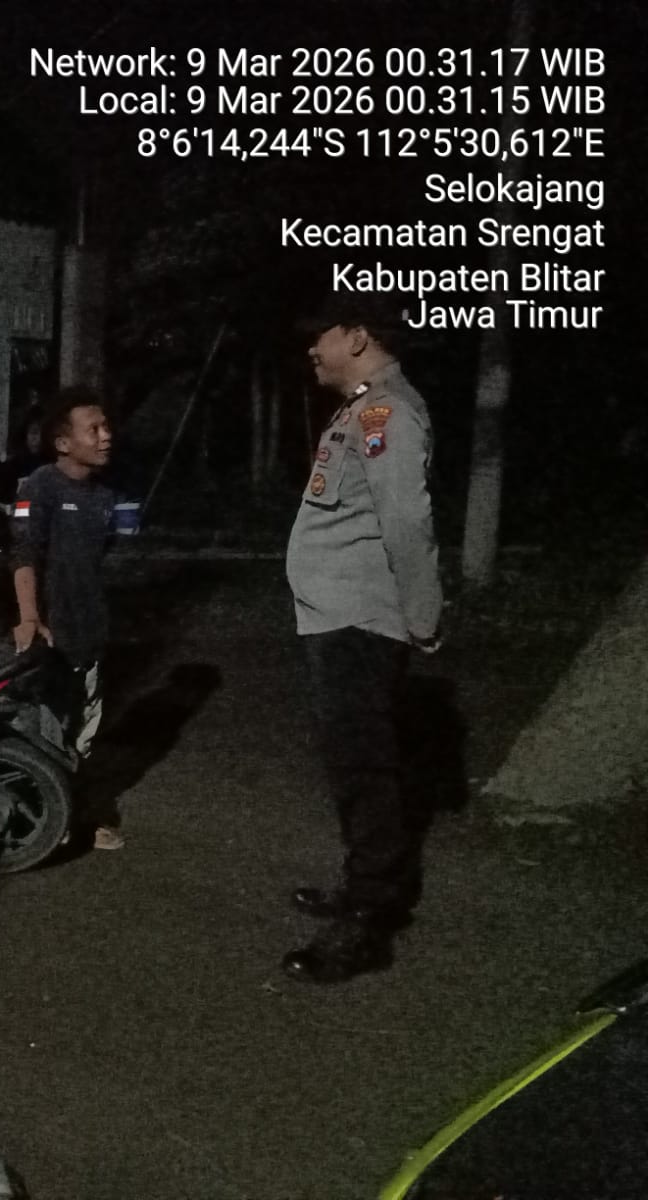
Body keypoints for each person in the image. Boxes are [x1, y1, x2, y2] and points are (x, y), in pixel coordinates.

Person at [281, 295, 443, 985]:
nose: (310, 350)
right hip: (336, 617)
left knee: (365, 771)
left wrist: (423, 617)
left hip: (359, 622)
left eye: (318, 335)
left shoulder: (388, 413)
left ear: (356, 336)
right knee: (352, 766)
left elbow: (407, 522)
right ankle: (360, 887)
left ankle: (368, 924)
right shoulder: (362, 408)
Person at [10, 387, 123, 850]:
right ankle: (42, 821)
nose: (105, 436)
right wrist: (29, 618)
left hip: (90, 634)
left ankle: (74, 817)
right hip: (51, 636)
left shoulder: (105, 497)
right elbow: (22, 554)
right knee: (46, 732)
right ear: (62, 443)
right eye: (93, 429)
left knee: (84, 734)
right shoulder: (40, 487)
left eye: (106, 426)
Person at [0, 403, 47, 630]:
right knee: (10, 593)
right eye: (34, 432)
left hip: (48, 550)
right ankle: (8, 626)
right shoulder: (9, 470)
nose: (38, 439)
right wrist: (2, 542)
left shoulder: (59, 470)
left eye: (44, 433)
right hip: (15, 545)